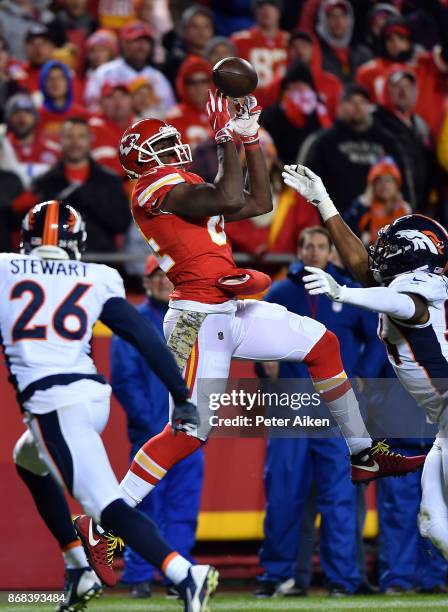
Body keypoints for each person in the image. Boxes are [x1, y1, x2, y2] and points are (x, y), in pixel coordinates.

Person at [7, 200, 217, 612]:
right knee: (27, 459)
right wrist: (180, 395)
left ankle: (183, 575)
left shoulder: (4, 270)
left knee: (105, 506)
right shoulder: (96, 275)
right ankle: (77, 568)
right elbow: (142, 333)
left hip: (54, 403)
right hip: (89, 394)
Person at [282, 162, 448, 563]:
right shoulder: (409, 277)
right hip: (443, 420)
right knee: (430, 520)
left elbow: (404, 306)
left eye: (391, 246)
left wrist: (343, 293)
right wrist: (324, 202)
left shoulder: (415, 289)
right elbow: (362, 266)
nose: (380, 250)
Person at [256, 226, 386, 598]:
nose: (314, 252)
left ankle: (342, 580)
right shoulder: (280, 293)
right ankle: (274, 575)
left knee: (339, 497)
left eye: (320, 247)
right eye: (307, 246)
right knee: (282, 494)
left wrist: (363, 374)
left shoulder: (344, 291)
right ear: (298, 250)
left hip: (336, 409)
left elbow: (377, 333)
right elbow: (255, 339)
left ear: (330, 252)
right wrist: (263, 367)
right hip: (292, 406)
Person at [111, 256, 204, 597]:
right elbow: (125, 381)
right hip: (153, 435)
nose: (164, 281)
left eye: (170, 275)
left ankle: (177, 576)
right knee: (146, 505)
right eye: (157, 276)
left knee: (183, 507)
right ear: (147, 281)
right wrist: (154, 428)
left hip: (189, 435)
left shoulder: (193, 318)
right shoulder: (133, 321)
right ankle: (138, 577)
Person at [16, 117, 131, 253]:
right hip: (57, 262)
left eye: (81, 136)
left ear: (90, 140)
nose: (75, 143)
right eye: (69, 136)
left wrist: (93, 202)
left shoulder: (111, 181)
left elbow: (122, 223)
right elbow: (27, 224)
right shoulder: (43, 182)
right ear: (60, 140)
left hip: (100, 262)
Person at [300, 83, 406, 215]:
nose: (358, 107)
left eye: (362, 102)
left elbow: (404, 184)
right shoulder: (322, 142)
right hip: (336, 224)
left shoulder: (387, 141)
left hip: (381, 226)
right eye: (351, 101)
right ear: (339, 107)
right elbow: (306, 185)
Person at [356, 13, 448, 140]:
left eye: (401, 38)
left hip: (431, 142)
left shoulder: (427, 64)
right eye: (390, 39)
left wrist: (436, 11)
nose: (395, 44)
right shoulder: (368, 71)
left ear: (410, 41)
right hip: (388, 140)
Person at [374, 67, 432, 212]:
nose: (403, 92)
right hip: (389, 206)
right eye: (397, 87)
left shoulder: (420, 125)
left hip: (420, 205)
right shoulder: (376, 121)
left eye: (408, 86)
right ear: (387, 90)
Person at [85, 21, 175, 113]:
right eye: (136, 41)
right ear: (124, 44)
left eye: (146, 41)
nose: (141, 46)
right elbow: (91, 106)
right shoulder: (105, 72)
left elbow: (169, 112)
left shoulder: (158, 78)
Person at [260, 60, 331, 164]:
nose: (299, 89)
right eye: (294, 85)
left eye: (303, 85)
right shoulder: (271, 115)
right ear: (285, 89)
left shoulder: (319, 114)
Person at [344, 157, 412, 247]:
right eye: (379, 180)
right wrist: (361, 207)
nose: (384, 185)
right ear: (372, 185)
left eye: (388, 180)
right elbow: (344, 236)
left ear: (396, 184)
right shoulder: (362, 206)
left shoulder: (405, 209)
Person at [230, 0, 288, 103]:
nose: (266, 9)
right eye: (261, 5)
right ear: (254, 11)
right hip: (251, 107)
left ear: (279, 11)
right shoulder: (239, 41)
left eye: (272, 5)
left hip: (283, 108)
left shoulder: (291, 42)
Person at [5, 93, 60, 187]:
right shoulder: (3, 150)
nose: (22, 117)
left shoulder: (54, 150)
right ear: (9, 118)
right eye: (16, 112)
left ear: (35, 118)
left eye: (27, 112)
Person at [314, 0, 371, 84]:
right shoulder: (316, 54)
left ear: (350, 20)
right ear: (324, 20)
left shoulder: (364, 54)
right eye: (332, 16)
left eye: (342, 16)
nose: (338, 21)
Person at [166, 56, 213, 152]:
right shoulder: (174, 119)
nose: (198, 87)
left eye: (203, 81)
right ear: (183, 86)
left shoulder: (222, 113)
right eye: (192, 82)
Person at [38, 60, 90, 142]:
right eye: (50, 78)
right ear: (43, 83)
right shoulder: (36, 116)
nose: (55, 83)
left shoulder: (82, 114)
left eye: (60, 78)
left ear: (68, 82)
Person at [89, 83, 134, 176]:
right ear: (101, 103)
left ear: (131, 100)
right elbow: (106, 168)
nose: (118, 101)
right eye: (111, 96)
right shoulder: (95, 126)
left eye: (123, 96)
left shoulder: (140, 122)